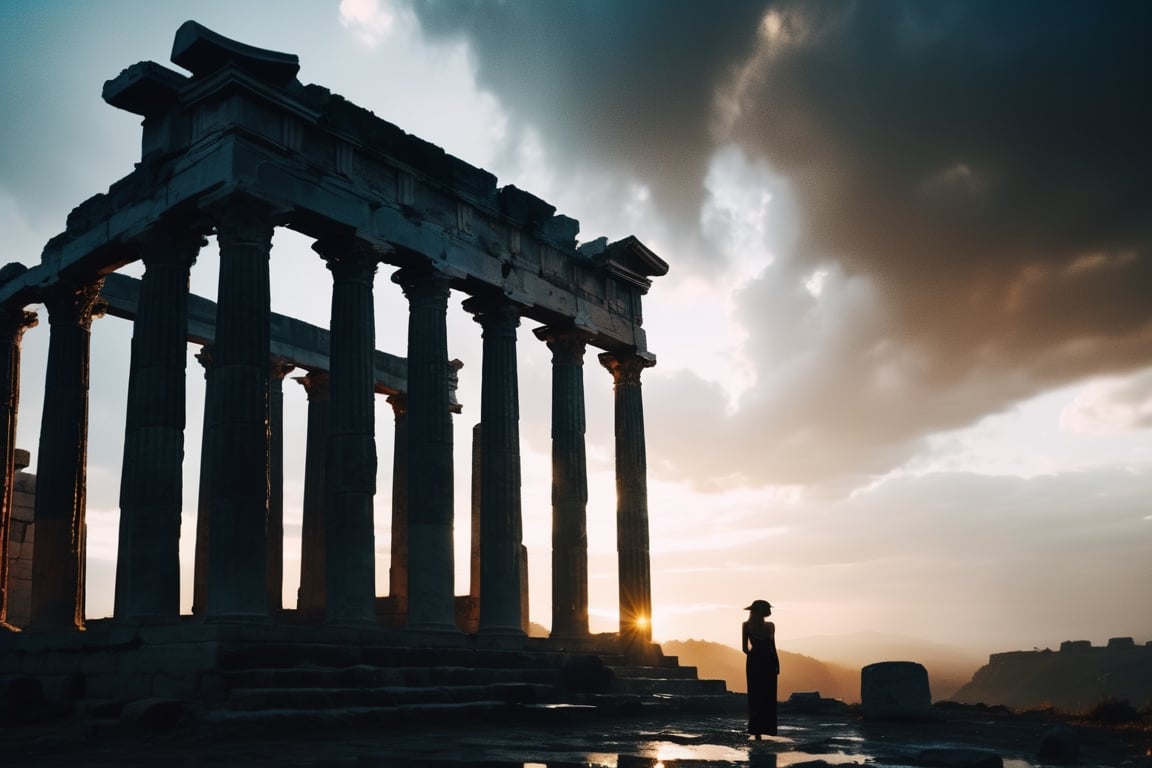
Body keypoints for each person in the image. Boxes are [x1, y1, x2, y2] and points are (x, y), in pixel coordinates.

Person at [742, 599, 779, 738]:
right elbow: (772, 647)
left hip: (754, 661)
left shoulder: (748, 625)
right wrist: (776, 662)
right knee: (765, 695)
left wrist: (755, 657)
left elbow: (745, 649)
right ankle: (764, 729)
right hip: (767, 661)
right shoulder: (768, 626)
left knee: (757, 695)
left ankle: (758, 730)